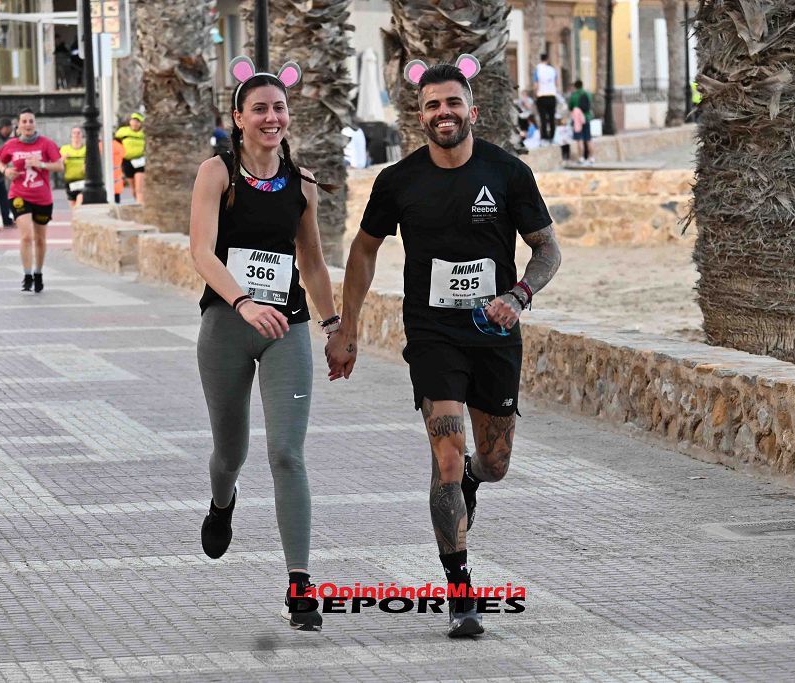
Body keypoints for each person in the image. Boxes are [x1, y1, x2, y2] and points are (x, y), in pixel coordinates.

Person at [325, 55, 562, 638]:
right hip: (432, 335)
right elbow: (362, 250)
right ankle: (460, 590)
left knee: (495, 462)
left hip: (494, 334)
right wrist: (347, 327)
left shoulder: (507, 173)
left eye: (453, 102)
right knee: (446, 454)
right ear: (420, 116)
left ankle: (476, 481)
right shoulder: (398, 181)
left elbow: (548, 249)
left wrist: (520, 294)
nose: (443, 112)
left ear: (472, 111)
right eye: (432, 105)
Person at [188, 55, 338, 632]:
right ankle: (221, 502)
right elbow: (201, 251)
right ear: (238, 117)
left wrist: (334, 327)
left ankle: (300, 584)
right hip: (228, 324)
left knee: (287, 454)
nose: (270, 117)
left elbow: (314, 261)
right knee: (232, 453)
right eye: (259, 109)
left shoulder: (301, 184)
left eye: (278, 108)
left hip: (287, 329)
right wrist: (244, 301)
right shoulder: (216, 173)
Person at [0, 109, 63, 292]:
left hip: (42, 197)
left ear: (35, 124)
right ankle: (27, 275)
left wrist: (40, 164)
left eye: (30, 121)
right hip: (19, 194)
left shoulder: (46, 144)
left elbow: (59, 165)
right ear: (18, 125)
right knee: (27, 236)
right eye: (24, 121)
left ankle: (38, 273)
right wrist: (6, 171)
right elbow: (0, 162)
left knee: (40, 239)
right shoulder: (11, 145)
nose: (27, 125)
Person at [114, 112, 146, 203]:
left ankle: (140, 205)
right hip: (127, 161)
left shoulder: (143, 134)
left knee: (139, 187)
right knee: (133, 188)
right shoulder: (123, 132)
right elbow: (116, 143)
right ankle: (137, 201)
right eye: (134, 120)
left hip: (140, 161)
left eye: (138, 121)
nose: (135, 123)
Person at [533, 53, 559, 144]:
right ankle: (552, 136)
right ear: (547, 59)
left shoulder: (538, 69)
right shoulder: (552, 70)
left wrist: (535, 94)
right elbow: (556, 83)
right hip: (552, 95)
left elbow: (536, 84)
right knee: (552, 118)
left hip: (542, 96)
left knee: (543, 118)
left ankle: (544, 137)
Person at [567, 79, 594, 164]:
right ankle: (591, 157)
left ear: (575, 86)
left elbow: (570, 107)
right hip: (586, 118)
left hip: (578, 120)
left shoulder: (574, 96)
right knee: (588, 139)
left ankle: (581, 157)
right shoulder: (588, 94)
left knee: (580, 140)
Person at [59, 126, 87, 208]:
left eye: (78, 133)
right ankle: (77, 220)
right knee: (73, 207)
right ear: (71, 136)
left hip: (83, 180)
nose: (76, 135)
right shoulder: (65, 149)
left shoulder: (86, 149)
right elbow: (57, 163)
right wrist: (63, 159)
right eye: (74, 133)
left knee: (80, 200)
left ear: (82, 135)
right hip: (70, 181)